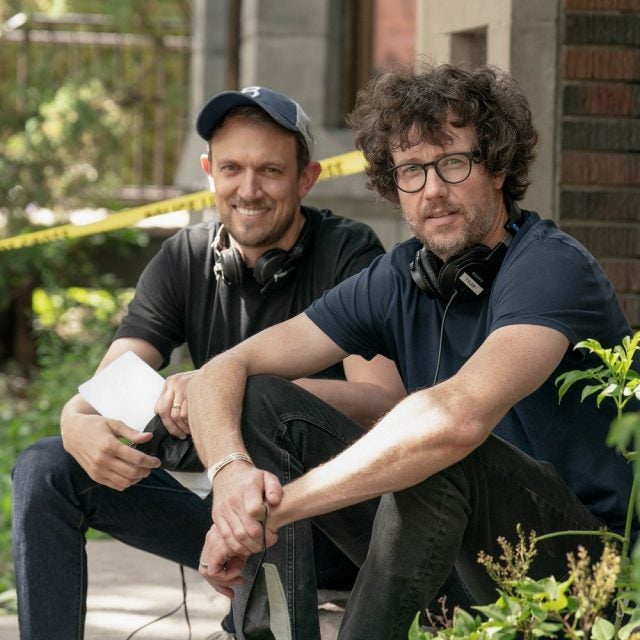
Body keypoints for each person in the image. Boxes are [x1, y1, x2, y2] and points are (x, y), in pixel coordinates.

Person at [186, 64, 638, 640]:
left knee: (438, 449)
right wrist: (230, 481)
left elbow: (456, 420)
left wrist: (279, 507)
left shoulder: (551, 267)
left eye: (453, 163)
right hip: (462, 561)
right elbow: (223, 370)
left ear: (497, 167)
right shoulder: (400, 278)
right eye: (411, 171)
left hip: (587, 579)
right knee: (264, 401)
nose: (432, 190)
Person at [11, 86, 405, 639]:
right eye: (232, 169)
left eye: (270, 170)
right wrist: (74, 420)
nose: (249, 189)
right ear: (209, 173)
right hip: (229, 509)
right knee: (45, 468)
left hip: (330, 521)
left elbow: (384, 401)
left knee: (260, 403)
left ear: (306, 179)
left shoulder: (348, 252)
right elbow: (112, 381)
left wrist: (227, 384)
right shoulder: (185, 256)